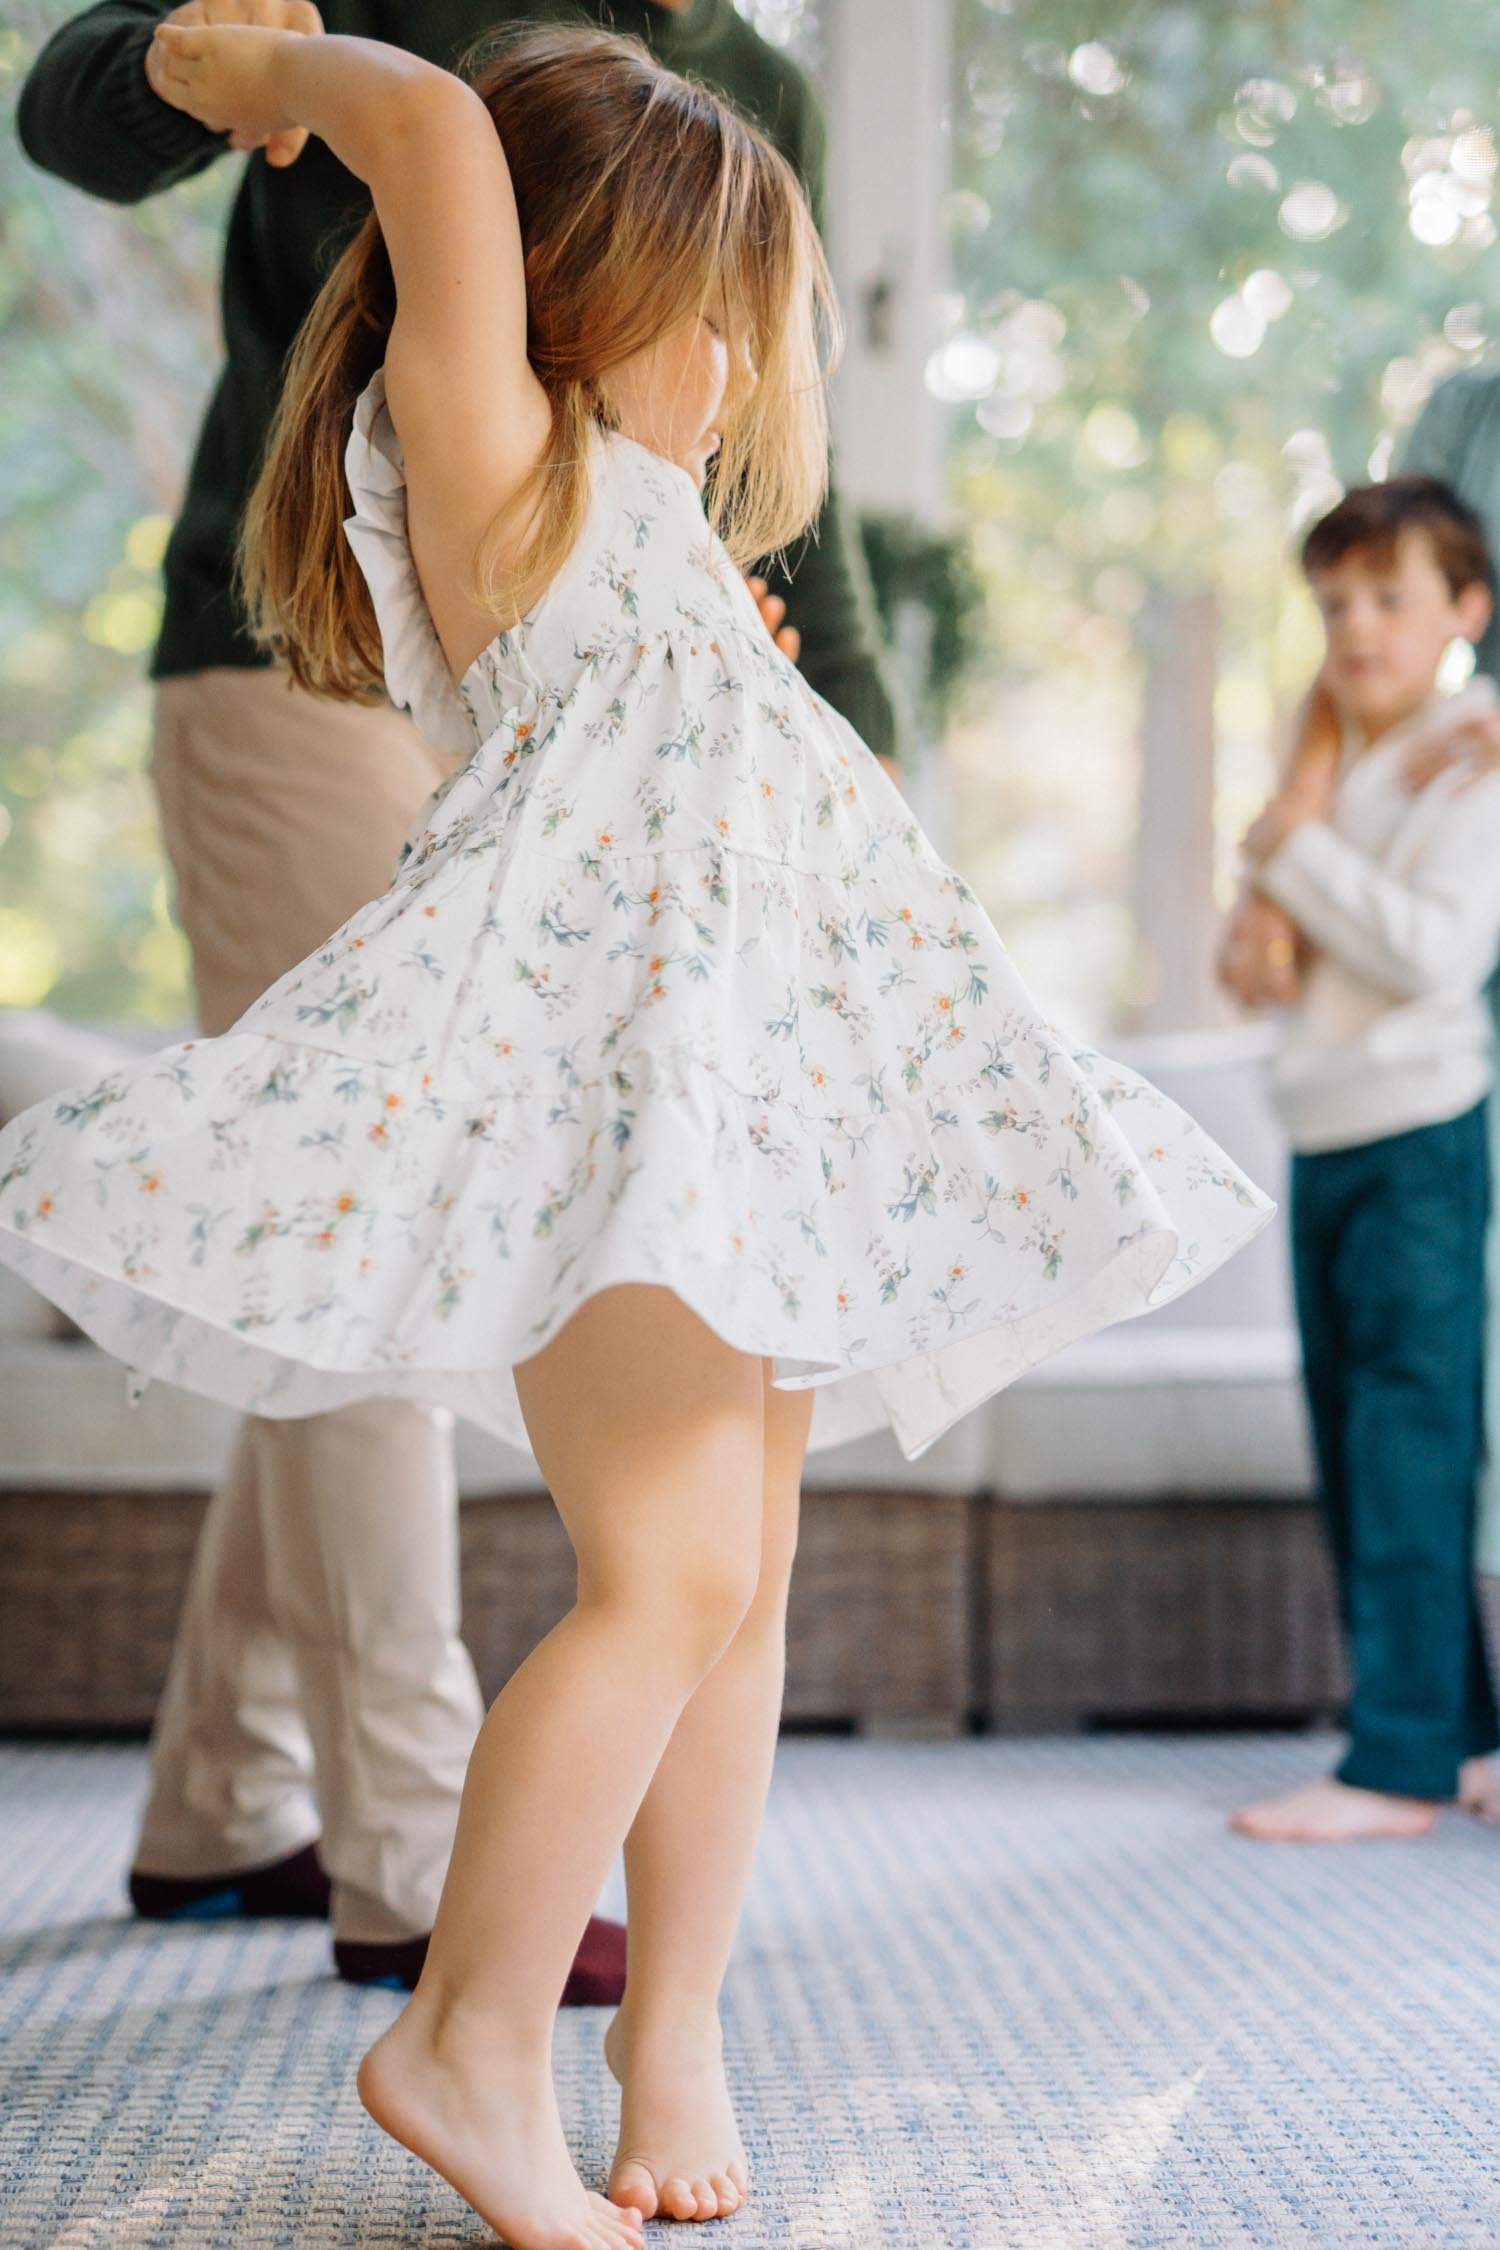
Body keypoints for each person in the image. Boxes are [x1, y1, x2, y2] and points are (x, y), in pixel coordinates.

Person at [0, 20, 1269, 2238]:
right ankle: (468, 2040)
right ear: (599, 282)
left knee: (745, 1585)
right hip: (623, 1094)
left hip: (732, 1092)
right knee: (667, 1570)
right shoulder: (484, 444)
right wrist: (231, 54)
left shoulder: (652, 521)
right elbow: (419, 128)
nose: (747, 361)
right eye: (730, 310)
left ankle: (669, 2024)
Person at [17, 0, 901, 1995]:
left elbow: (782, 504)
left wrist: (852, 777)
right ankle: (418, 1866)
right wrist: (228, 69)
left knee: (399, 1271)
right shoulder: (415, 94)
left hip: (632, 726)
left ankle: (218, 1799)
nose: (749, 359)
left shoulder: (738, 106)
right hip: (305, 672)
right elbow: (94, 104)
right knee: (378, 1206)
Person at [1224, 478, 1500, 1844]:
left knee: (1408, 1438)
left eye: (1392, 596)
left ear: (1467, 610)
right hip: (1328, 1128)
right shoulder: (1336, 754)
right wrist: (1289, 839)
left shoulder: (1478, 750)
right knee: (1362, 1438)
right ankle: (1460, 1737)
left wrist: (1294, 849)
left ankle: (1393, 1763)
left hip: (1418, 1132)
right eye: (1336, 601)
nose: (1358, 626)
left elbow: (1438, 950)